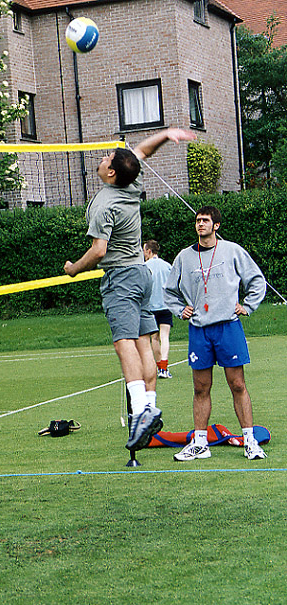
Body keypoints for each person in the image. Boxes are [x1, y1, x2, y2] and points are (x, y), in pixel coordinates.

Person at [64, 128, 196, 451]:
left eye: (107, 157)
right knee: (142, 344)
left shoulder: (104, 204)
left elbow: (98, 251)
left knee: (125, 345)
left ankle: (140, 411)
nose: (103, 157)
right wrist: (167, 134)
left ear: (111, 172)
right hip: (141, 274)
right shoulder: (131, 182)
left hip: (121, 278)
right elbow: (142, 152)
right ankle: (150, 405)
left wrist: (74, 269)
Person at [163, 206, 267, 461]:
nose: (200, 224)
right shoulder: (184, 257)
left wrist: (248, 305)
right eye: (198, 220)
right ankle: (200, 443)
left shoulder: (232, 250)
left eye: (205, 220)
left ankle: (250, 441)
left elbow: (256, 280)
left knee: (237, 384)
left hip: (228, 327)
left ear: (216, 225)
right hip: (199, 329)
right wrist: (180, 309)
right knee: (200, 387)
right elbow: (169, 291)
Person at [143, 239, 173, 379]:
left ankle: (160, 367)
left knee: (154, 338)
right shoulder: (167, 266)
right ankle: (163, 368)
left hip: (150, 307)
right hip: (165, 305)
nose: (144, 254)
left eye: (144, 251)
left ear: (149, 251)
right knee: (164, 336)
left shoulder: (144, 267)